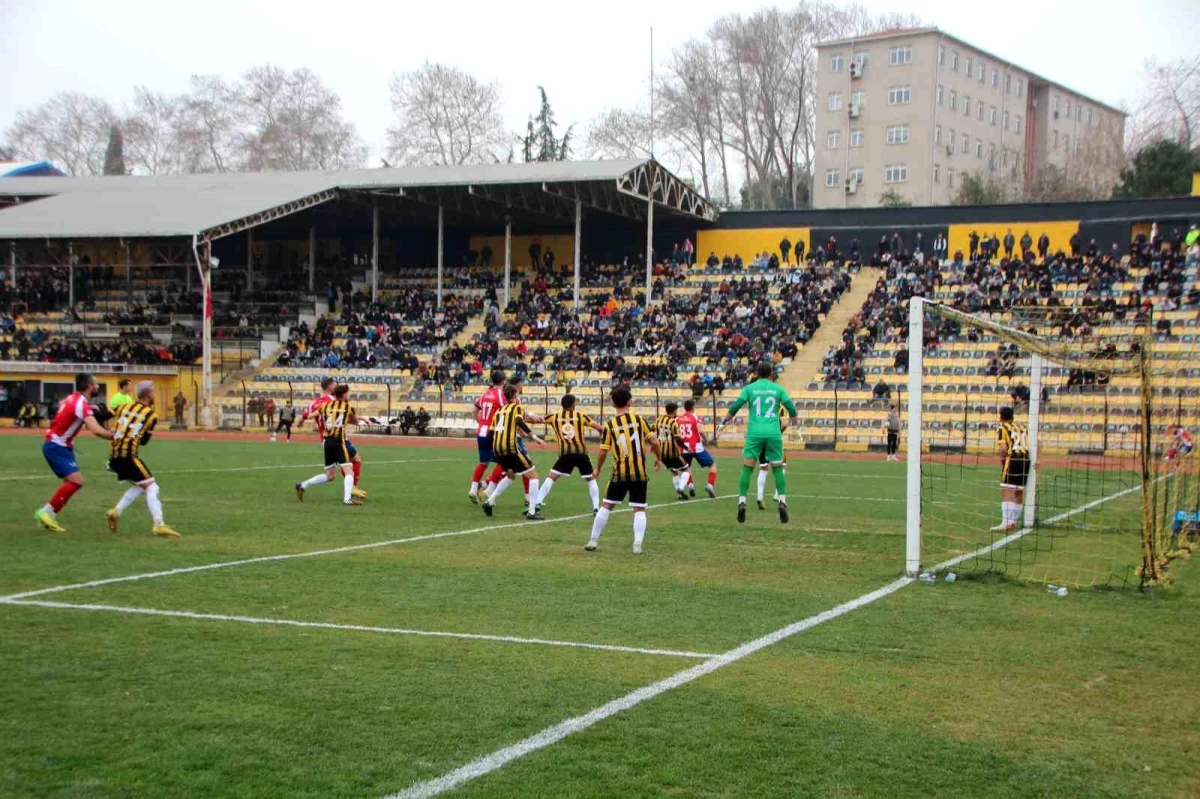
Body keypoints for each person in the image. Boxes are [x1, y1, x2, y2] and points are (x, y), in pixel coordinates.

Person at [584, 385, 662, 555]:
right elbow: (655, 442)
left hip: (619, 473)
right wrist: (658, 458)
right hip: (639, 473)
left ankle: (593, 540)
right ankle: (637, 544)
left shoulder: (610, 425)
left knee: (606, 506)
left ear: (612, 403)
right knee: (639, 509)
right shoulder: (639, 420)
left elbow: (603, 451)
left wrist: (597, 469)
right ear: (630, 402)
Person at [34, 372, 115, 533]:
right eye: (96, 384)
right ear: (89, 386)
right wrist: (115, 436)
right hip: (57, 446)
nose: (97, 386)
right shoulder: (81, 404)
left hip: (59, 445)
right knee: (76, 481)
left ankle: (48, 513)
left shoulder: (73, 398)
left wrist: (91, 408)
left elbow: (62, 404)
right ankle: (46, 512)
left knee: (73, 482)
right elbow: (96, 430)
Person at [719, 361, 797, 524]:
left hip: (754, 433)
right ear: (771, 374)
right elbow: (791, 408)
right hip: (773, 433)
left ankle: (742, 502)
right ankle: (782, 501)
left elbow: (736, 406)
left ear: (757, 373)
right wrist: (794, 423)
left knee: (747, 467)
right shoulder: (778, 389)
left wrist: (724, 421)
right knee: (778, 468)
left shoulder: (749, 389)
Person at [105, 381, 179, 537]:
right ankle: (159, 525)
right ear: (148, 394)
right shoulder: (151, 415)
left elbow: (114, 423)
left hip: (113, 456)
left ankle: (116, 511)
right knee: (152, 487)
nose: (155, 395)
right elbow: (144, 442)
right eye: (153, 392)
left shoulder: (123, 407)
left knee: (141, 486)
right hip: (128, 456)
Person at [481, 383, 545, 520]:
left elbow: (491, 433)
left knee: (511, 475)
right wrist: (535, 437)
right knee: (533, 476)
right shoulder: (517, 408)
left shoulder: (499, 411)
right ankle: (532, 511)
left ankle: (489, 502)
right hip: (510, 448)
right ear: (515, 396)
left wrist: (494, 450)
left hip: (498, 449)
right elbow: (519, 421)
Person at [297, 377, 366, 500]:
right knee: (354, 460)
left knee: (330, 475)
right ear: (329, 386)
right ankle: (351, 491)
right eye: (334, 384)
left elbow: (306, 414)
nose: (336, 385)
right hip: (338, 438)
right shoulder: (333, 401)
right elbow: (342, 416)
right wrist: (360, 419)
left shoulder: (315, 402)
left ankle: (302, 485)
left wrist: (301, 421)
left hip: (325, 440)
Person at [535, 394, 605, 513]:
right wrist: (604, 434)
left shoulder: (554, 417)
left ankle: (537, 502)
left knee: (551, 478)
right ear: (573, 404)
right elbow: (600, 428)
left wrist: (525, 417)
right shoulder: (581, 416)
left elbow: (538, 420)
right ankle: (596, 507)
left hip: (565, 454)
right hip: (581, 453)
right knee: (591, 480)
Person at [468, 370, 506, 503]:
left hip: (481, 431)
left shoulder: (485, 394)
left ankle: (473, 490)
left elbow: (474, 410)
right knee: (505, 462)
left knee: (483, 463)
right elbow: (506, 409)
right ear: (503, 381)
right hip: (493, 431)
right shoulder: (500, 395)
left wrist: (481, 422)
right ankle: (489, 490)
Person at [993, 406, 1031, 532]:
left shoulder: (1002, 428)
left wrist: (1003, 461)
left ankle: (1005, 523)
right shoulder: (1022, 426)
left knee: (1007, 490)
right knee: (1019, 491)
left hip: (1013, 458)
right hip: (1026, 459)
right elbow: (1037, 442)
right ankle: (1013, 522)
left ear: (1001, 416)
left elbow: (1003, 448)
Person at [677, 399, 717, 498]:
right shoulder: (695, 417)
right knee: (712, 465)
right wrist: (706, 439)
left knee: (687, 468)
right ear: (693, 407)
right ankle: (710, 485)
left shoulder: (678, 419)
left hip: (684, 448)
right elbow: (699, 430)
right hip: (696, 447)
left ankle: (690, 485)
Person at [654, 402, 691, 501]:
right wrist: (686, 448)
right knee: (687, 470)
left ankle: (679, 495)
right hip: (673, 452)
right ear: (674, 411)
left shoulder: (658, 420)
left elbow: (652, 430)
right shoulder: (673, 423)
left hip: (662, 452)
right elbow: (678, 439)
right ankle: (681, 488)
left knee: (674, 472)